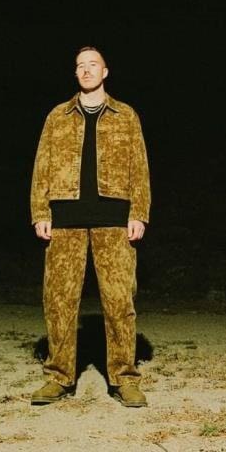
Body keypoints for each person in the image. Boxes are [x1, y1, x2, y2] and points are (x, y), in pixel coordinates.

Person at [30, 46, 151, 407]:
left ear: (105, 71)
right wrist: (40, 212)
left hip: (114, 221)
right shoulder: (57, 116)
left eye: (92, 64)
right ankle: (59, 377)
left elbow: (139, 167)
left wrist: (139, 213)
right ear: (75, 73)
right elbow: (41, 166)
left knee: (119, 301)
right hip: (64, 221)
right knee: (59, 301)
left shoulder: (126, 115)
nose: (86, 70)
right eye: (80, 66)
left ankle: (124, 378)